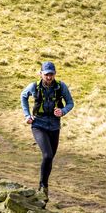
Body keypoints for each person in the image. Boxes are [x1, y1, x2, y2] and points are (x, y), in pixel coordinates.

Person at [20, 61, 74, 201]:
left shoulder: (61, 87)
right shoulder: (34, 86)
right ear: (41, 74)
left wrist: (62, 111)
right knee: (47, 155)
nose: (49, 77)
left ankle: (44, 188)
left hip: (55, 126)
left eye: (51, 74)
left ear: (55, 74)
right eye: (46, 74)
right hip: (38, 124)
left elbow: (70, 103)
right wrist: (27, 115)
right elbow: (23, 96)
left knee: (50, 158)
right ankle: (43, 186)